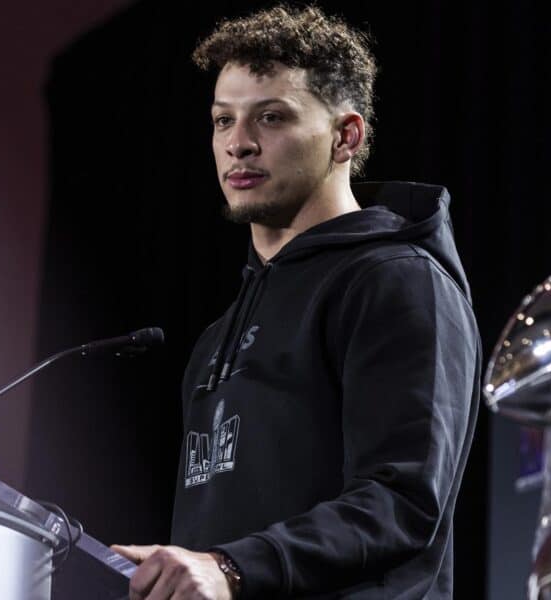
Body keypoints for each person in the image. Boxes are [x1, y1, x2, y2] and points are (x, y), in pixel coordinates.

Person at [112, 5, 480, 598]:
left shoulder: (396, 281)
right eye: (221, 120)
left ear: (345, 136)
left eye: (272, 117)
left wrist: (229, 568)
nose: (239, 144)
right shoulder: (217, 337)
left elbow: (402, 502)